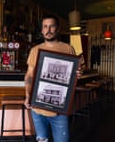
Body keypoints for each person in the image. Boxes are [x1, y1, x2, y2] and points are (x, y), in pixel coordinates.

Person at [24, 14, 82, 142]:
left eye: (52, 26)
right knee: (42, 140)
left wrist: (77, 74)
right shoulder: (35, 50)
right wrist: (28, 95)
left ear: (58, 29)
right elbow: (29, 75)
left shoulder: (68, 48)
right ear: (42, 30)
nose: (48, 30)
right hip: (37, 109)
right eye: (45, 27)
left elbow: (74, 72)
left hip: (59, 110)